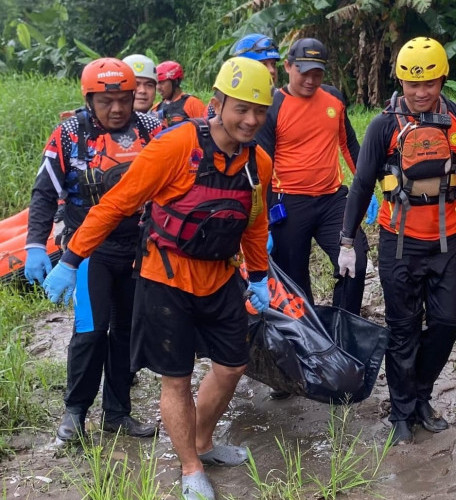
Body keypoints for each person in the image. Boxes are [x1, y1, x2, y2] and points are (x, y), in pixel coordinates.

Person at [42, 56, 274, 500]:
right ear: (217, 103)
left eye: (259, 110)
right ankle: (190, 468)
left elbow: (255, 222)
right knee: (177, 377)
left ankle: (203, 442)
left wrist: (259, 275)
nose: (250, 119)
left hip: (219, 275)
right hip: (165, 275)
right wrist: (72, 257)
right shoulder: (175, 146)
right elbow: (115, 204)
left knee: (232, 366)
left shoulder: (257, 163)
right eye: (241, 107)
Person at [339, 37, 456, 445]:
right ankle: (402, 412)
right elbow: (361, 184)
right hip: (398, 243)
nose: (420, 92)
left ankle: (421, 395)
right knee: (403, 329)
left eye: (429, 82)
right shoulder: (383, 125)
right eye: (412, 84)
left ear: (443, 79)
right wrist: (346, 239)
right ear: (399, 81)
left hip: (448, 240)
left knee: (446, 323)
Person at [24, 57, 161, 442]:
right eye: (105, 100)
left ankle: (117, 414)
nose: (117, 108)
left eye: (124, 99)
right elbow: (45, 192)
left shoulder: (152, 128)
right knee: (90, 331)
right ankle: (75, 412)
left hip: (140, 248)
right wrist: (36, 244)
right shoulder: (69, 134)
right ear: (89, 99)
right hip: (88, 252)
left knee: (125, 333)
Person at [257, 37, 369, 316]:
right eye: (303, 72)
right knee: (294, 280)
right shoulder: (273, 105)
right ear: (288, 66)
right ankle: (308, 341)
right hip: (289, 204)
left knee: (357, 259)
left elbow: (349, 144)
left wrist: (367, 186)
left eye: (316, 73)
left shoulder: (333, 98)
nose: (310, 79)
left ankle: (344, 327)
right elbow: (263, 166)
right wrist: (263, 222)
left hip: (333, 200)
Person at [152, 60, 207, 127]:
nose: (158, 87)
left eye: (162, 83)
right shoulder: (157, 108)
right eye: (157, 83)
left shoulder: (192, 104)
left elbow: (207, 131)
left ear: (175, 82)